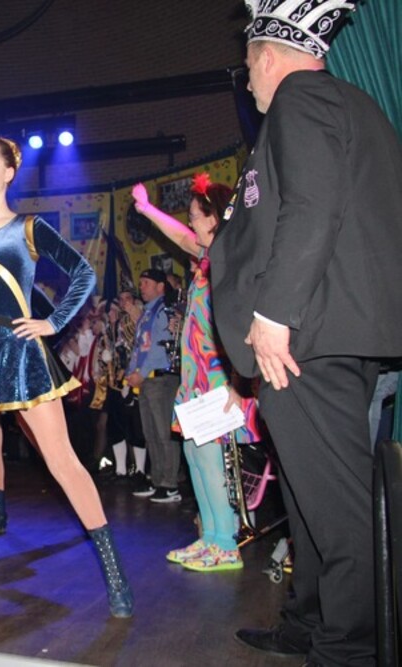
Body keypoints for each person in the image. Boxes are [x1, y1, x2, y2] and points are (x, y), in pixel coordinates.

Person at [210, 3, 402, 663]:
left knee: (337, 503)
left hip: (304, 335)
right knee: (306, 492)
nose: (248, 83)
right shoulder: (354, 106)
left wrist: (274, 314)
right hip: (326, 330)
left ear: (267, 55)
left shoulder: (302, 97)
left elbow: (312, 206)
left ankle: (350, 646)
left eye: (247, 69)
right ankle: (308, 621)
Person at [0, 137, 132, 618]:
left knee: (63, 462)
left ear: (9, 172)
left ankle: (115, 575)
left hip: (23, 357)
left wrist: (53, 322)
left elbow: (83, 274)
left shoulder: (29, 228)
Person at [132, 174, 261, 571]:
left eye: (194, 216)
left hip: (219, 377)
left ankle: (226, 543)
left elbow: (241, 324)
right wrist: (147, 209)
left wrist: (239, 383)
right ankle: (210, 537)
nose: (189, 224)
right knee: (194, 453)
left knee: (209, 457)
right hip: (196, 378)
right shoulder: (207, 262)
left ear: (214, 219)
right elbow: (181, 237)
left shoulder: (229, 258)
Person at [125, 268, 181, 503]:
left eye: (146, 283)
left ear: (160, 286)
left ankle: (170, 484)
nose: (142, 287)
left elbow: (160, 347)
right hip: (147, 380)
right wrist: (131, 372)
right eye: (141, 283)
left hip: (160, 378)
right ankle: (157, 479)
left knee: (163, 432)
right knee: (150, 433)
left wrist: (142, 372)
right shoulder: (147, 313)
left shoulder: (164, 310)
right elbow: (140, 347)